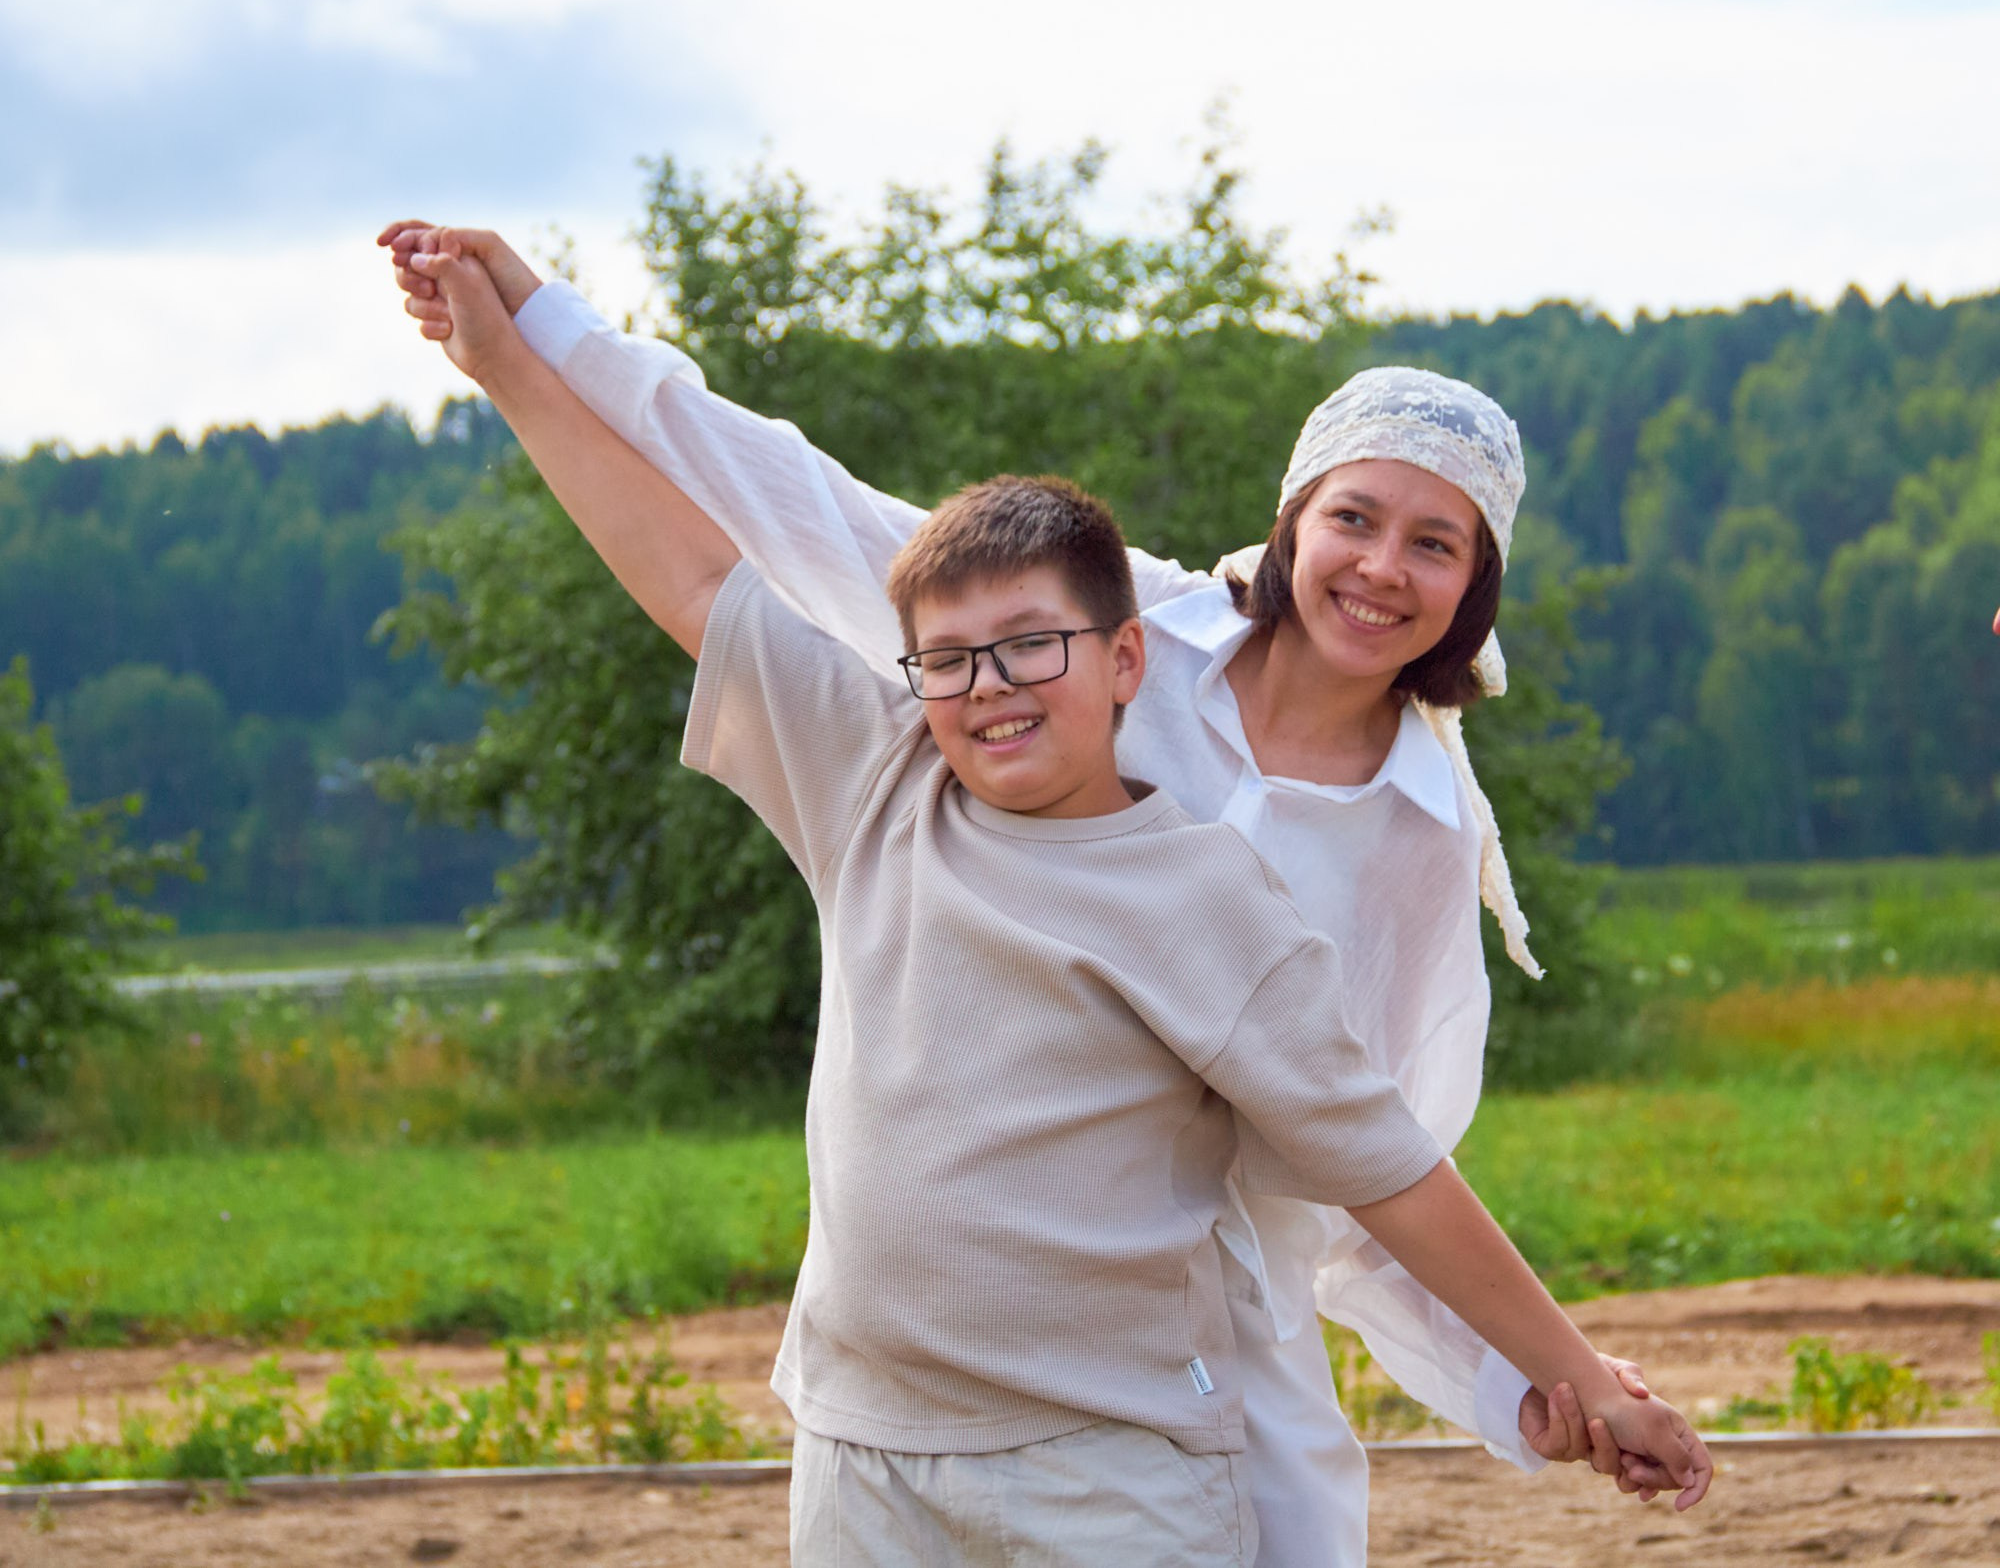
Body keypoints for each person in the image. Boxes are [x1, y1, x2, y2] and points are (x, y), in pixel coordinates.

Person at [399, 234, 1711, 1566]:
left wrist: (1540, 1375)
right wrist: (530, 341)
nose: (1380, 565)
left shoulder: (1371, 854)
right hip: (885, 1408)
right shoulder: (1010, 680)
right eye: (1354, 518)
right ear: (1290, 521)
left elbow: (1383, 1168)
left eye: (1434, 542)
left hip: (1166, 1361)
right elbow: (773, 519)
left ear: (1476, 582)